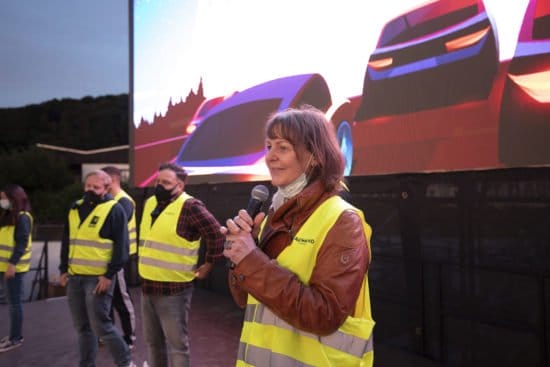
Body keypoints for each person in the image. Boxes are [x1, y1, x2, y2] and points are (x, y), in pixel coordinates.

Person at [222, 106, 375, 366]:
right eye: (268, 146)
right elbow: (243, 299)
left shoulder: (342, 220)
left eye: (282, 147)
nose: (270, 157)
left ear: (314, 156)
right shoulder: (272, 215)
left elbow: (325, 314)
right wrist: (240, 255)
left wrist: (251, 259)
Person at [138, 162, 225, 367]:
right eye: (158, 181)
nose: (160, 186)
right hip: (147, 286)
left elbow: (216, 234)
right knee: (152, 344)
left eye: (166, 183)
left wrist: (209, 265)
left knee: (177, 346)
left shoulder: (191, 207)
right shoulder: (150, 202)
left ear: (180, 186)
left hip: (174, 290)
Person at [59, 170, 135, 367]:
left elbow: (121, 246)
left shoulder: (114, 209)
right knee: (82, 328)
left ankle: (126, 362)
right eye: (88, 186)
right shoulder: (74, 208)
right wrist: (63, 269)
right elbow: (67, 241)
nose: (90, 190)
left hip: (98, 279)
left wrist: (109, 275)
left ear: (106, 189)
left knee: (101, 326)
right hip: (75, 277)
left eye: (96, 187)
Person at [101, 166, 137, 350]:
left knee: (121, 300)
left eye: (103, 180)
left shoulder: (124, 202)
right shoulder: (110, 201)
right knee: (108, 300)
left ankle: (129, 338)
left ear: (113, 180)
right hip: (107, 259)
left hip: (119, 260)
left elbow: (111, 230)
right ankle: (109, 336)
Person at [0, 184, 33, 353]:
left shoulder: (22, 217)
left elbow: (21, 243)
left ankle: (15, 338)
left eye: (4, 197)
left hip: (14, 268)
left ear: (15, 198)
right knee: (11, 303)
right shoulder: (8, 216)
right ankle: (13, 335)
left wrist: (12, 265)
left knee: (14, 304)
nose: (2, 201)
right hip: (4, 266)